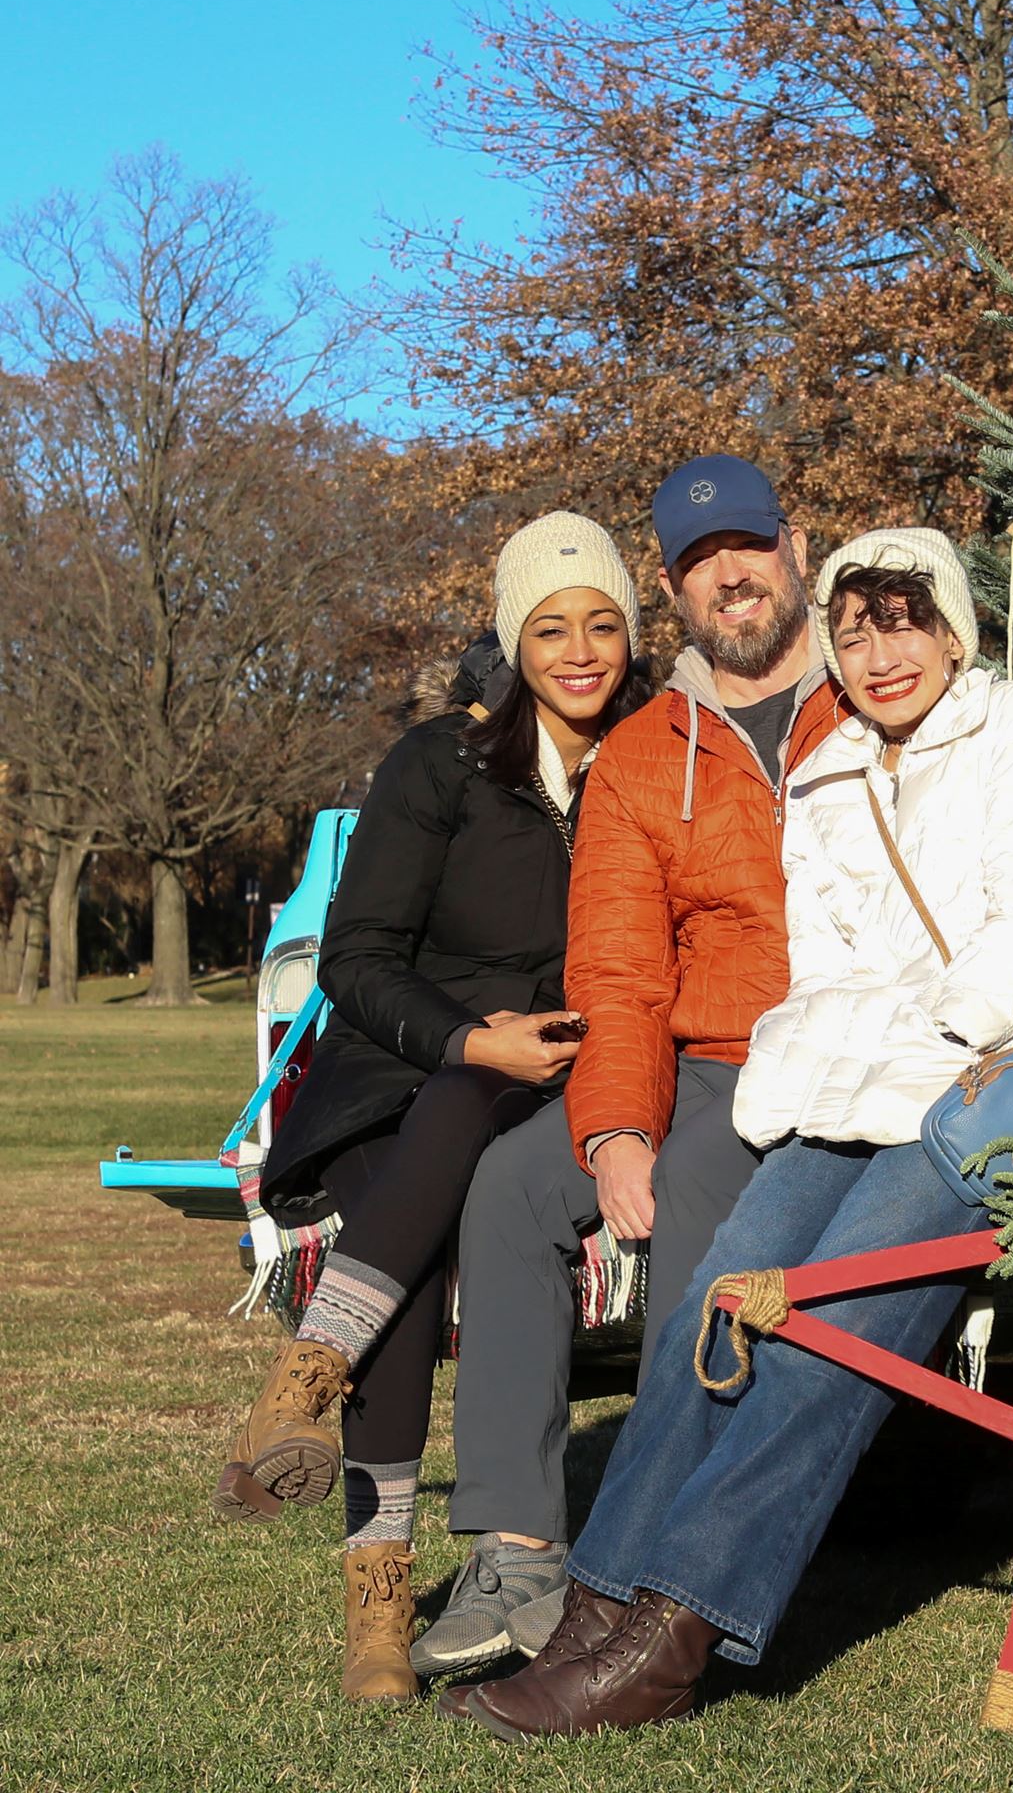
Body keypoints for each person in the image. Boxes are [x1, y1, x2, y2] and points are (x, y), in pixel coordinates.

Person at [446, 529, 1013, 1739]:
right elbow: (824, 964)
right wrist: (804, 1069)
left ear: (952, 626)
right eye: (854, 629)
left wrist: (941, 1038)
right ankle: (598, 1603)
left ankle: (670, 1636)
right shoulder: (830, 769)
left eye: (904, 620)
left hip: (981, 1083)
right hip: (845, 1087)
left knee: (828, 1338)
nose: (879, 650)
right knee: (713, 1309)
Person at [412, 455, 845, 1677]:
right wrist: (611, 1128)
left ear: (795, 550)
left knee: (699, 1195)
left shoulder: (872, 695)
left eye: (748, 548)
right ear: (675, 586)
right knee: (509, 1185)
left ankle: (660, 1564)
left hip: (833, 1058)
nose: (731, 578)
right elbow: (614, 968)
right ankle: (518, 1554)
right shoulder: (647, 755)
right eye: (702, 563)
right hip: (700, 1053)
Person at [213, 513, 650, 1704]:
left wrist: (531, 1048)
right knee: (425, 1162)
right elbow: (352, 956)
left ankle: (307, 1377)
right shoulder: (441, 761)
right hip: (395, 1072)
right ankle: (376, 1605)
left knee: (430, 1176)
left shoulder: (656, 755)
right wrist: (467, 1036)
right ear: (513, 642)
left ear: (629, 634)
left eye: (601, 624)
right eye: (550, 627)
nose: (578, 650)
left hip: (552, 1082)